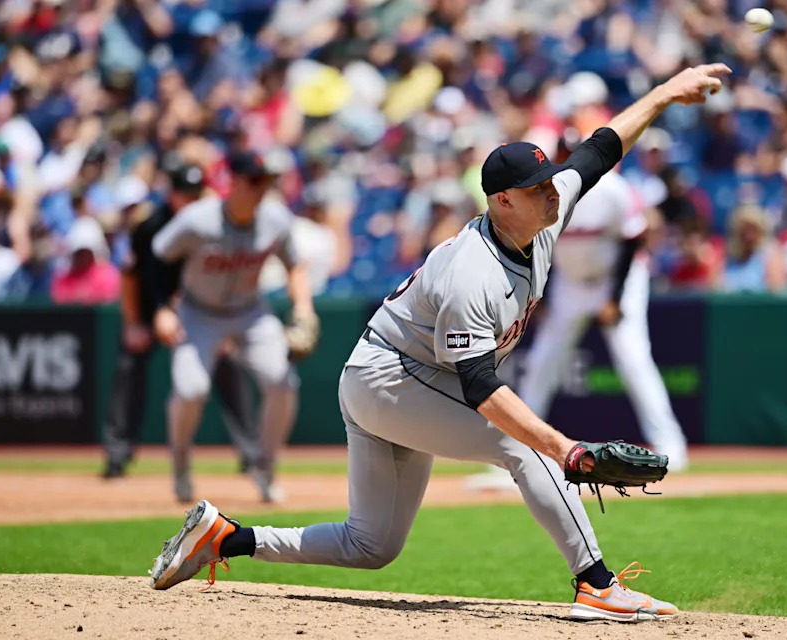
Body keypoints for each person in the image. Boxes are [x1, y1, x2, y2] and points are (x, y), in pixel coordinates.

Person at [149, 63, 731, 623]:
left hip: (404, 375)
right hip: (390, 378)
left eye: (550, 180)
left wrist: (663, 93)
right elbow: (480, 386)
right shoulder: (471, 271)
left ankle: (227, 537)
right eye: (535, 188)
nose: (551, 191)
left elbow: (601, 148)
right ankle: (597, 585)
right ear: (502, 201)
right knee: (524, 446)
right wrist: (566, 449)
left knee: (370, 543)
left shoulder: (546, 213)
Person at [467, 164, 689, 494]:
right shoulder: (543, 193)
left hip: (614, 280)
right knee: (542, 363)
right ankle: (517, 449)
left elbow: (632, 242)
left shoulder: (611, 188)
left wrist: (614, 298)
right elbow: (535, 247)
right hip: (570, 284)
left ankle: (671, 445)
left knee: (633, 359)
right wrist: (537, 295)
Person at [150, 150, 314, 503]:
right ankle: (180, 466)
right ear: (233, 183)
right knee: (191, 390)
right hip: (198, 312)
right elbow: (160, 259)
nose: (261, 189)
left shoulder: (276, 219)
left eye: (266, 182)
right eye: (254, 181)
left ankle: (265, 469)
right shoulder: (196, 220)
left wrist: (303, 308)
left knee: (282, 381)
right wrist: (163, 308)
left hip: (250, 312)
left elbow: (295, 265)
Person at [100, 162, 262, 480]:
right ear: (170, 194)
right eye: (183, 194)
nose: (189, 200)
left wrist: (225, 326)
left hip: (202, 310)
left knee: (228, 365)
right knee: (129, 367)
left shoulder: (215, 223)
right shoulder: (149, 226)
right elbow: (130, 277)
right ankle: (117, 455)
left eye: (195, 193)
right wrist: (134, 323)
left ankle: (252, 453)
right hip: (152, 308)